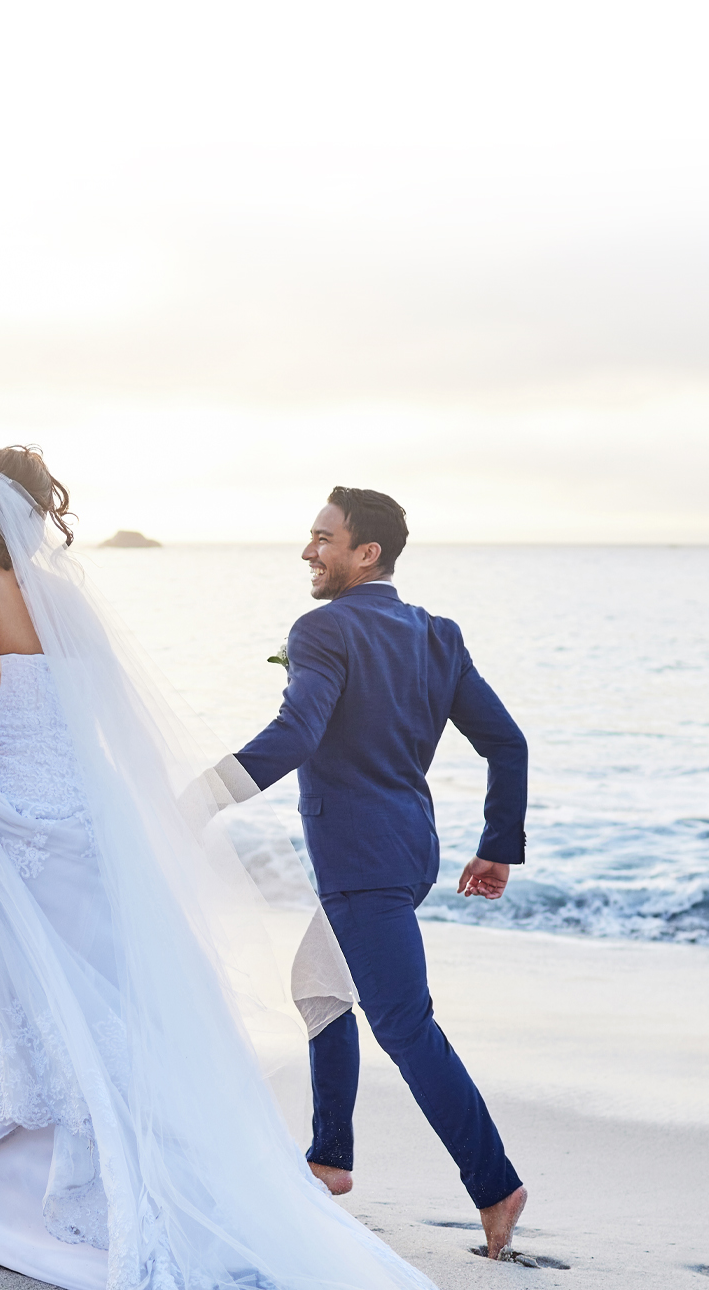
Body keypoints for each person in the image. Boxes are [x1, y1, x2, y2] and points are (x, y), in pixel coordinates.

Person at [0, 448, 437, 1290]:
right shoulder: (67, 603)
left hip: (6, 813)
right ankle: (100, 1181)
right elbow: (98, 718)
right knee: (97, 1003)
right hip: (84, 822)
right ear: (41, 511)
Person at [230, 486, 529, 1260]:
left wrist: (198, 796)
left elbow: (295, 734)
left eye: (323, 538)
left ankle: (495, 1185)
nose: (308, 551)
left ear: (368, 554)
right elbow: (508, 744)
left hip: (361, 863)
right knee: (320, 986)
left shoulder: (322, 628)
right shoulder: (436, 634)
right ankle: (330, 1160)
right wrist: (496, 843)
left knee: (403, 1024)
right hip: (410, 850)